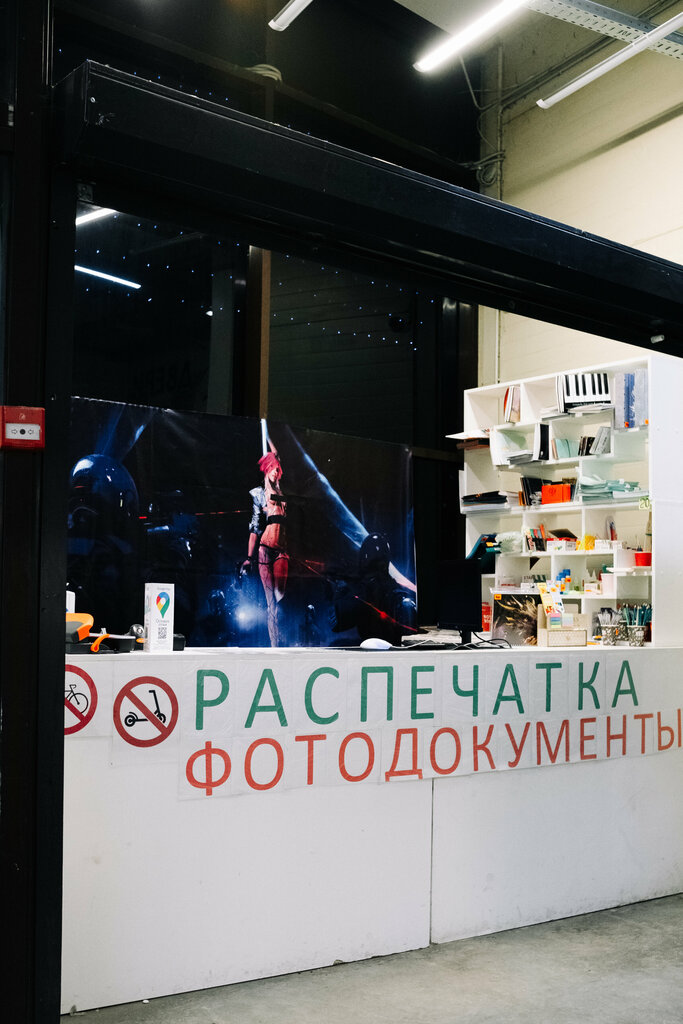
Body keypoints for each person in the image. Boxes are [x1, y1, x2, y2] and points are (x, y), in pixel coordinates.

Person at [242, 450, 288, 646]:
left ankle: (281, 638)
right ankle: (274, 645)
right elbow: (254, 528)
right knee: (271, 603)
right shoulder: (259, 494)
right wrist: (248, 558)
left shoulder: (282, 494)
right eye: (272, 468)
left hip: (281, 550)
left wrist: (275, 454)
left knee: (280, 596)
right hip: (264, 549)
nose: (275, 472)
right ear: (267, 468)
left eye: (278, 469)